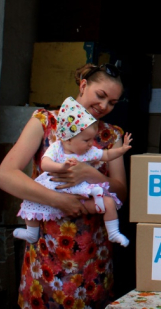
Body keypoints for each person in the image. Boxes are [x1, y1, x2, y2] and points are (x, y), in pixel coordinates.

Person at [0, 62, 129, 309]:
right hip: (45, 255)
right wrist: (59, 200)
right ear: (83, 85)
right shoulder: (45, 122)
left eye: (112, 102)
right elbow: (4, 175)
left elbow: (121, 192)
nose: (104, 106)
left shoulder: (112, 136)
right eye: (100, 96)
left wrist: (90, 173)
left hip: (93, 259)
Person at [13, 96, 132, 247]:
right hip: (55, 191)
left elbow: (107, 155)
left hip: (80, 195)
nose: (91, 144)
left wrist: (122, 150)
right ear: (68, 139)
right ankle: (31, 233)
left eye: (92, 139)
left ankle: (113, 232)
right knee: (30, 202)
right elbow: (45, 163)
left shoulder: (88, 151)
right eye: (86, 140)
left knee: (109, 202)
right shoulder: (57, 147)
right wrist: (61, 167)